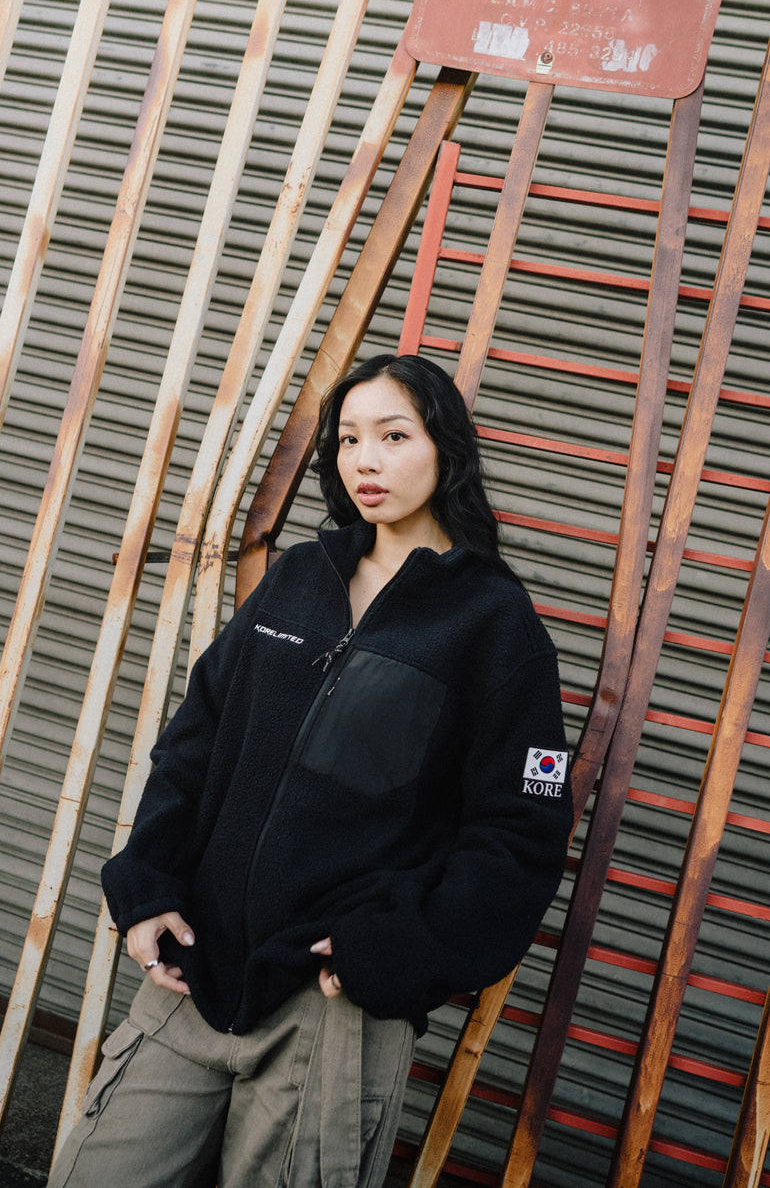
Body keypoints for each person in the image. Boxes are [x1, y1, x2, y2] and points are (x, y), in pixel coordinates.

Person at [48, 353, 572, 1188]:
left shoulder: (493, 623)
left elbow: (523, 828)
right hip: (196, 974)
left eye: (393, 436)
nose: (366, 461)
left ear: (445, 448)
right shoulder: (300, 576)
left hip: (333, 1006)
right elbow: (196, 739)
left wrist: (399, 948)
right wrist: (145, 884)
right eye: (349, 439)